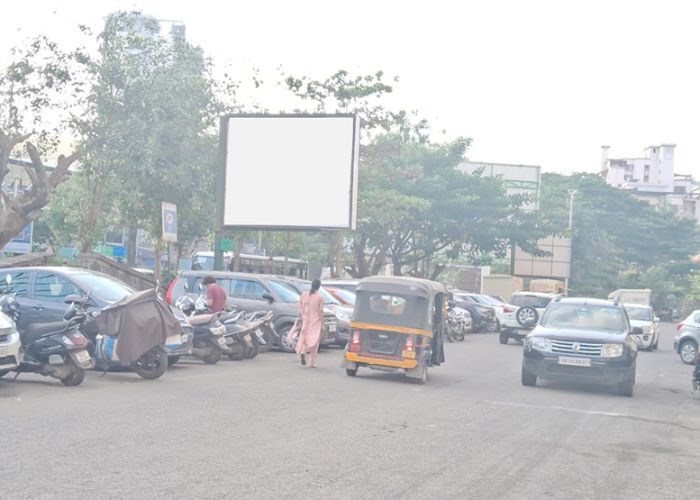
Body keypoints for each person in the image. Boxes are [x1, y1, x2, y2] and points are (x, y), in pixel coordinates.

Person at [296, 278, 325, 368]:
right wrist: (322, 322)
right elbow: (320, 311)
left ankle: (302, 352)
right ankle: (312, 362)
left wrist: (302, 313)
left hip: (306, 320)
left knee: (304, 338)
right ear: (319, 286)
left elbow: (299, 304)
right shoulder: (320, 297)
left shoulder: (305, 294)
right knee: (314, 341)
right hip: (315, 322)